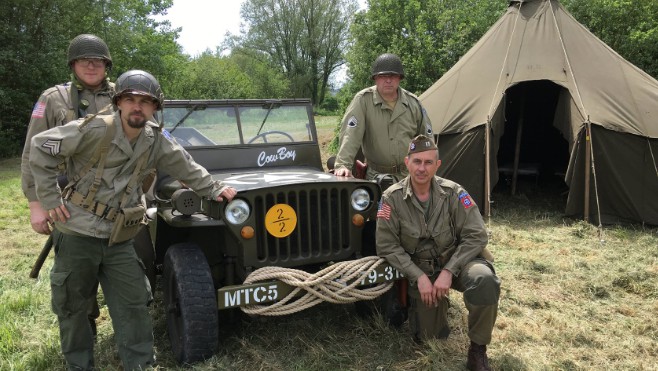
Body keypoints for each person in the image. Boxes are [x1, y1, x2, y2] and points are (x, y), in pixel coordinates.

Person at [29, 70, 237, 370]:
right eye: (130, 99)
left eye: (145, 101)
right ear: (119, 103)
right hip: (77, 232)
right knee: (72, 309)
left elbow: (186, 167)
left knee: (134, 306)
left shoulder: (155, 139)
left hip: (119, 237)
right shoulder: (95, 129)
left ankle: (140, 365)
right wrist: (48, 199)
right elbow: (40, 147)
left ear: (155, 108)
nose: (137, 106)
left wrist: (215, 188)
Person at [20, 33, 115, 341]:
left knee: (135, 271)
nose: (91, 65)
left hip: (118, 200)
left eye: (97, 60)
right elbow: (31, 152)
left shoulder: (124, 95)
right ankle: (83, 337)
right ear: (73, 64)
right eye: (84, 60)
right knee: (76, 283)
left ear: (106, 64)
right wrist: (37, 203)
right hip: (70, 202)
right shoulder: (53, 98)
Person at [376, 135, 500, 371]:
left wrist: (449, 271)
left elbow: (477, 235)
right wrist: (419, 277)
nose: (422, 168)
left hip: (458, 261)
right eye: (417, 161)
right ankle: (437, 307)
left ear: (437, 165)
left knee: (484, 280)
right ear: (407, 162)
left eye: (428, 162)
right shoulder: (390, 199)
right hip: (423, 270)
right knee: (431, 339)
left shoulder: (453, 193)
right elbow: (386, 245)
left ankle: (477, 350)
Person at [334, 53, 433, 182]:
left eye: (393, 76)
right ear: (375, 78)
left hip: (408, 175)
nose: (388, 80)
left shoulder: (413, 103)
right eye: (383, 76)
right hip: (375, 176)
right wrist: (343, 165)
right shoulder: (363, 100)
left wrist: (429, 168)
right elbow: (350, 134)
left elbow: (427, 140)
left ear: (400, 78)